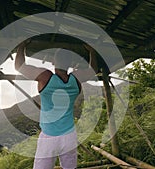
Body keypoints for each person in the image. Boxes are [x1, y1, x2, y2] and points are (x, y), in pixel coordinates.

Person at [15, 40, 97, 169]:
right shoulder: (75, 79)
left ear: (53, 62)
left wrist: (22, 45)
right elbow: (93, 70)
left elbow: (19, 66)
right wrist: (92, 51)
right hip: (69, 135)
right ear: (70, 64)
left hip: (49, 137)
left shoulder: (46, 77)